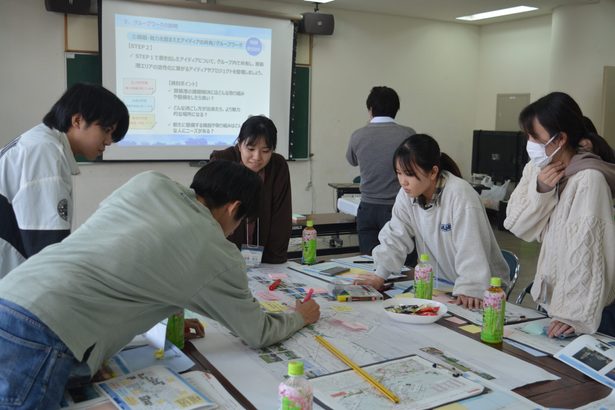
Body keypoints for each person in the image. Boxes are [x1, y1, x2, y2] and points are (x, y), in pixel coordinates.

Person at [0, 160, 320, 408]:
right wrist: (300, 316)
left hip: (11, 293)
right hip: (44, 334)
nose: (233, 231)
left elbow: (122, 256)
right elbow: (257, 331)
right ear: (234, 208)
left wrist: (166, 314)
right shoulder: (215, 249)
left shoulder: (148, 182)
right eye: (239, 223)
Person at [504, 91, 615, 337]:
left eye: (535, 136)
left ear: (560, 138)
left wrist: (573, 316)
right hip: (552, 301)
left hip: (583, 311)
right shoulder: (537, 168)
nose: (530, 144)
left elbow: (587, 253)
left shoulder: (588, 179)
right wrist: (541, 191)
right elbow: (515, 223)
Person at [356, 134, 509, 309]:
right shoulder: (407, 195)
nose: (403, 181)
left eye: (409, 174)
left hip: (480, 291)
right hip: (441, 287)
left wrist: (471, 287)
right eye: (398, 173)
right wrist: (380, 274)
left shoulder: (459, 195)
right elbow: (396, 236)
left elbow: (471, 246)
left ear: (433, 172)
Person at [0, 83, 129, 278]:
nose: (109, 141)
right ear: (77, 120)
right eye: (106, 130)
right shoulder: (45, 152)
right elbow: (46, 249)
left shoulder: (42, 143)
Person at [210, 115, 291, 264]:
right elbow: (213, 216)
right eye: (251, 149)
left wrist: (274, 260)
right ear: (240, 144)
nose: (257, 157)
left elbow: (281, 216)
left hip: (263, 259)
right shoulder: (222, 162)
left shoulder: (278, 166)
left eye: (265, 151)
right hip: (223, 258)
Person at [346, 86, 416, 255]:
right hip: (398, 207)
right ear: (396, 109)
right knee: (402, 263)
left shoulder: (358, 135)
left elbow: (352, 160)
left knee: (370, 265)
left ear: (370, 109)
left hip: (367, 207)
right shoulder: (408, 134)